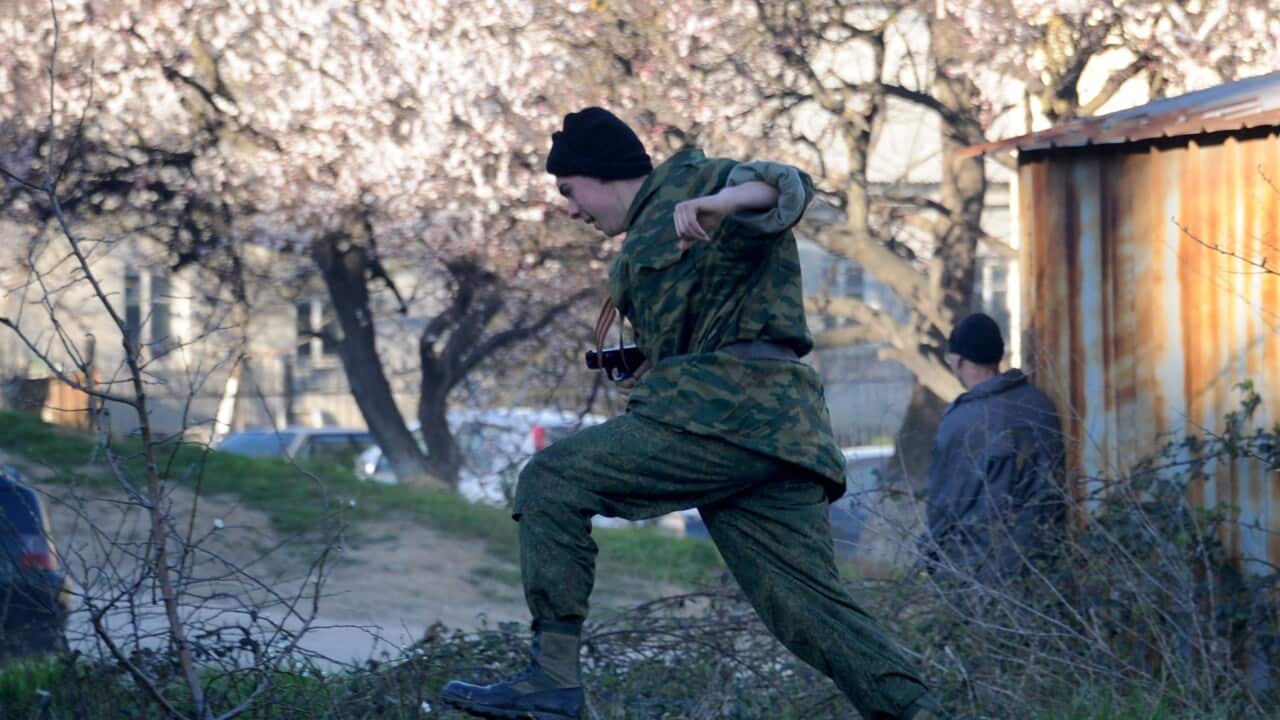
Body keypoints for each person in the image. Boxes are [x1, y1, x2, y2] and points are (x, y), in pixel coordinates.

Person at [441, 107, 942, 720]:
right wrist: (651, 362)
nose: (569, 210)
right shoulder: (645, 234)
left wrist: (723, 203)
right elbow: (702, 320)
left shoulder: (695, 186)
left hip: (726, 418)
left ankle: (551, 678)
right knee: (807, 611)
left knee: (550, 479)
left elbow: (788, 184)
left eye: (568, 192)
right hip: (773, 435)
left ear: (599, 175)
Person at [925, 312, 1066, 587]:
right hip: (1045, 568)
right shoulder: (1039, 404)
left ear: (959, 361)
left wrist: (932, 560)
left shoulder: (962, 421)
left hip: (980, 575)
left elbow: (942, 509)